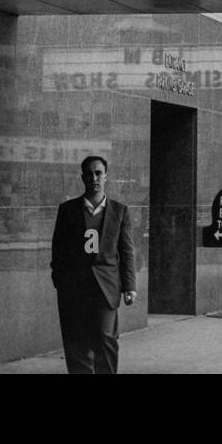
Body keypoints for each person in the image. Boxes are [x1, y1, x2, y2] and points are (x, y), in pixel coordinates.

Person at [50, 155, 136, 374]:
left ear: (106, 176)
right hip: (74, 289)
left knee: (106, 341)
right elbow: (58, 250)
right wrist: (61, 282)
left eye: (98, 173)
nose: (94, 178)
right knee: (76, 343)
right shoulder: (68, 210)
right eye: (89, 174)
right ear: (82, 177)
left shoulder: (119, 211)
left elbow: (126, 251)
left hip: (106, 287)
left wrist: (129, 287)